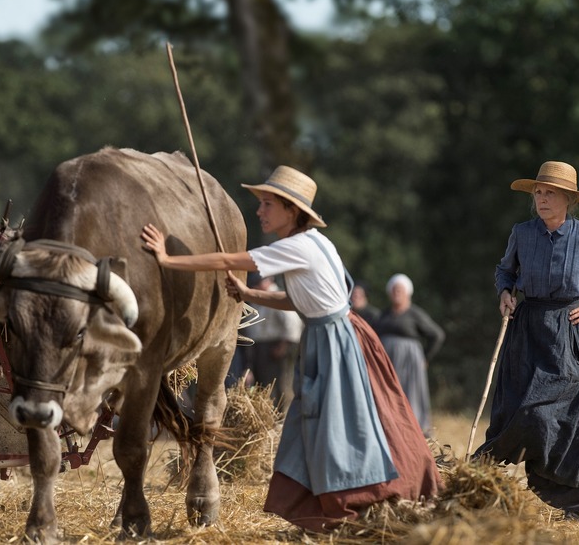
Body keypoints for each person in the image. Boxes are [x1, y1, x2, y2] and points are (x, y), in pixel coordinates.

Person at [141, 165, 440, 531]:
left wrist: (167, 259)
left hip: (335, 344)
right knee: (322, 425)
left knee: (338, 427)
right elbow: (309, 299)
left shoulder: (297, 246)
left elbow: (226, 260)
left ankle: (354, 507)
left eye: (267, 204)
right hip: (336, 334)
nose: (259, 211)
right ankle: (327, 510)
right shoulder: (316, 243)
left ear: (291, 211)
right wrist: (250, 294)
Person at [474, 161, 579, 522]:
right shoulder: (521, 232)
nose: (542, 198)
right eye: (538, 192)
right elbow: (505, 269)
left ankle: (572, 504)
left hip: (569, 334)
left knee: (564, 419)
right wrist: (504, 291)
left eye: (550, 193)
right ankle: (481, 483)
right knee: (519, 410)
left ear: (568, 199)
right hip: (527, 331)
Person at [373, 273, 445, 435]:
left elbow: (437, 335)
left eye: (400, 290)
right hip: (387, 361)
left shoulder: (414, 314)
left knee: (410, 393)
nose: (397, 293)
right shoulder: (384, 315)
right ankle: (389, 428)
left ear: (407, 292)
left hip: (409, 361)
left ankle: (415, 429)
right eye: (394, 290)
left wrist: (425, 358)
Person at [241, 274, 304, 415]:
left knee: (277, 384)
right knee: (263, 384)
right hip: (259, 346)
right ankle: (267, 414)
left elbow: (292, 323)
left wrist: (283, 346)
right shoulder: (258, 298)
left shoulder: (275, 294)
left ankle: (279, 416)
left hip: (275, 346)